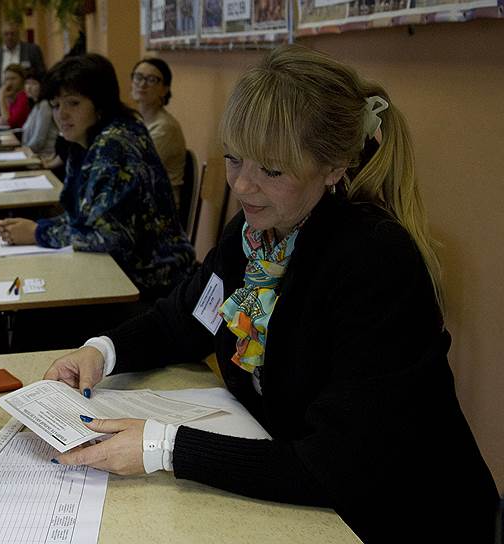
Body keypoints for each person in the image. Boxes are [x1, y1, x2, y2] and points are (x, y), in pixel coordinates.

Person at [41, 45, 497, 543]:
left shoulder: (375, 261)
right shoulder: (256, 235)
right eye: (234, 159)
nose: (242, 186)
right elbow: (187, 317)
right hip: (300, 493)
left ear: (333, 167)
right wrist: (102, 351)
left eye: (272, 171)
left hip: (404, 517)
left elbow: (338, 465)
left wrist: (164, 447)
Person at [0, 54, 197, 351]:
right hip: (120, 274)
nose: (62, 114)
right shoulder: (85, 140)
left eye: (73, 103)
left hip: (152, 288)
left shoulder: (115, 143)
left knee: (36, 316)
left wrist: (38, 233)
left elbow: (108, 237)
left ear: (99, 104)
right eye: (56, 105)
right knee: (34, 308)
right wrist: (37, 228)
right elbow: (83, 217)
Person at [131, 58, 187, 207]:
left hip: (159, 207)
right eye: (138, 77)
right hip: (140, 199)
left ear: (165, 89)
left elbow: (137, 171)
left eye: (151, 80)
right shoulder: (137, 120)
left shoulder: (165, 128)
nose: (142, 84)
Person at [0, 20, 46, 116]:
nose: (9, 37)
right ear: (2, 36)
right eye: (6, 34)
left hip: (26, 104)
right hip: (3, 104)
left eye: (12, 34)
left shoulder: (32, 50)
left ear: (18, 35)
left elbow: (42, 75)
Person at [21, 69, 58, 156]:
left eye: (34, 84)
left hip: (44, 156)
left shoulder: (45, 105)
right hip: (32, 153)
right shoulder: (36, 105)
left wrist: (23, 151)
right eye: (27, 83)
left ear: (43, 86)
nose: (29, 87)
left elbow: (38, 140)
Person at [0, 63, 32, 128]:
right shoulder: (14, 96)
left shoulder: (24, 97)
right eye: (7, 79)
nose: (9, 83)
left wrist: (1, 98)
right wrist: (7, 99)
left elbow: (9, 122)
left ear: (22, 79)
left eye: (13, 79)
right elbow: (3, 118)